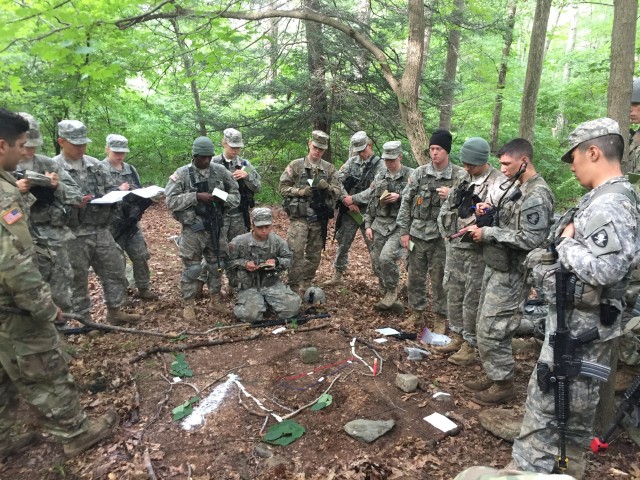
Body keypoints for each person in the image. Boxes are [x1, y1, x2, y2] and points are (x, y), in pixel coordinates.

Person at [512, 118, 640, 477]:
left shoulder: (610, 203)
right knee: (574, 424)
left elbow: (606, 270)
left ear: (594, 152)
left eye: (574, 157)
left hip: (578, 335)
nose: (570, 166)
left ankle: (529, 471)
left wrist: (566, 244)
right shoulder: (607, 198)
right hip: (580, 329)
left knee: (543, 420)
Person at [0, 109, 117, 461]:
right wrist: (44, 306)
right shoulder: (5, 194)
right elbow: (14, 262)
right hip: (13, 306)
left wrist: (48, 190)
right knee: (44, 369)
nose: (25, 153)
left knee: (5, 372)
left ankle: (3, 439)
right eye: (21, 145)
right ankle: (76, 433)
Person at [463, 138, 554, 406]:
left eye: (506, 163)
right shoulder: (519, 186)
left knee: (494, 328)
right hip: (498, 265)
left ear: (523, 160)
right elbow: (512, 221)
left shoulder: (537, 195)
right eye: (501, 163)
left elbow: (531, 239)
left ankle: (503, 384)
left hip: (514, 272)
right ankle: (495, 375)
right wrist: (489, 212)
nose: (502, 168)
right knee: (485, 323)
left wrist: (488, 232)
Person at [54, 121, 141, 326]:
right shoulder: (52, 167)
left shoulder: (95, 165)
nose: (80, 148)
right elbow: (46, 203)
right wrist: (71, 203)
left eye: (83, 144)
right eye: (75, 144)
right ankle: (85, 322)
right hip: (73, 234)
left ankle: (114, 312)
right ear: (61, 142)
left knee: (115, 269)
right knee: (78, 279)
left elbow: (110, 187)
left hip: (101, 229)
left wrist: (118, 193)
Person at [433, 137, 504, 363]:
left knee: (472, 297)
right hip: (455, 247)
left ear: (482, 161)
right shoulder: (464, 178)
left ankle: (470, 345)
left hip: (477, 251)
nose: (466, 168)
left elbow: (501, 219)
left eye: (471, 165)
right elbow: (451, 204)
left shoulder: (498, 183)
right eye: (464, 164)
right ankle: (456, 335)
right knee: (453, 290)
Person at [14, 112, 82, 323]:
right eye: (24, 145)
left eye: (32, 145)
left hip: (53, 237)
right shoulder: (5, 167)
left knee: (61, 284)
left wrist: (56, 185)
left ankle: (61, 331)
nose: (28, 151)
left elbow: (76, 195)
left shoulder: (48, 164)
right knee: (25, 290)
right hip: (17, 240)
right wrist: (16, 190)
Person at [396, 129, 465, 332]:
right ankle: (416, 314)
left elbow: (473, 205)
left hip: (441, 238)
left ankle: (440, 318)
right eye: (432, 149)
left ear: (447, 151)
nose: (434, 153)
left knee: (439, 279)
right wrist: (404, 232)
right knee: (414, 276)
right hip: (416, 234)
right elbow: (406, 203)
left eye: (439, 149)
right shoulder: (419, 173)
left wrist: (454, 195)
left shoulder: (459, 176)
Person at [165, 136, 240, 321]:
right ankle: (188, 304)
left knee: (217, 265)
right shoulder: (182, 174)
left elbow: (236, 197)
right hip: (193, 229)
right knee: (192, 268)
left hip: (216, 226)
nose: (206, 161)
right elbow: (170, 201)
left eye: (208, 157)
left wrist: (219, 196)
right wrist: (196, 197)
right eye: (202, 157)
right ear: (194, 156)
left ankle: (215, 299)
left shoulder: (220, 171)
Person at [279, 130, 341, 292]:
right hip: (299, 217)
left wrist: (326, 187)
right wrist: (299, 192)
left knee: (314, 254)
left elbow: (338, 191)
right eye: (315, 147)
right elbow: (283, 187)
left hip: (318, 218)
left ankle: (306, 282)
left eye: (321, 148)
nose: (317, 151)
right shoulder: (296, 165)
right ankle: (293, 285)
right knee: (295, 251)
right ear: (309, 144)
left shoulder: (329, 169)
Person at [323, 131, 384, 287]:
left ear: (369, 145)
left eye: (363, 150)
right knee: (343, 243)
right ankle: (338, 274)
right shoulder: (352, 162)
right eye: (358, 151)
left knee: (374, 246)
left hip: (370, 213)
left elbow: (376, 190)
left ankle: (383, 281)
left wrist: (355, 198)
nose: (361, 154)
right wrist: (345, 199)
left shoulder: (380, 165)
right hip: (351, 212)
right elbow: (337, 180)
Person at [102, 134, 158, 300]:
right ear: (107, 149)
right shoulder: (99, 169)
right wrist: (117, 190)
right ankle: (121, 294)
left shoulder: (130, 169)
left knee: (140, 255)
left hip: (132, 221)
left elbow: (138, 189)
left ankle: (143, 288)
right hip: (112, 223)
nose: (120, 156)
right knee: (116, 262)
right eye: (116, 152)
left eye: (123, 152)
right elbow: (95, 196)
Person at [227, 207, 301, 323]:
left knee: (292, 310)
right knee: (251, 317)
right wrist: (244, 263)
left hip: (271, 284)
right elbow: (227, 262)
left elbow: (289, 259)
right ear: (253, 225)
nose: (264, 230)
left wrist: (276, 262)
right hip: (249, 286)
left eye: (267, 227)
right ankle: (258, 304)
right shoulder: (239, 242)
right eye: (260, 227)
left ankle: (266, 303)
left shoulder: (276, 241)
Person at [364, 141, 414, 310]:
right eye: (386, 159)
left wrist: (400, 196)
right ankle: (388, 294)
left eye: (392, 159)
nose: (389, 163)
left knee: (386, 257)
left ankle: (392, 291)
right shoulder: (380, 176)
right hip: (379, 224)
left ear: (400, 156)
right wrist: (368, 225)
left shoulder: (411, 175)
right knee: (376, 260)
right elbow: (371, 202)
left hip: (399, 226)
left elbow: (418, 202)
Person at [212, 128, 261, 292]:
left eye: (238, 147)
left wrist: (247, 177)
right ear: (224, 143)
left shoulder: (245, 164)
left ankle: (234, 285)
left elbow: (257, 187)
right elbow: (205, 190)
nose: (235, 150)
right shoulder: (213, 163)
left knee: (237, 250)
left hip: (239, 216)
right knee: (217, 251)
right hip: (218, 215)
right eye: (232, 147)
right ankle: (214, 288)